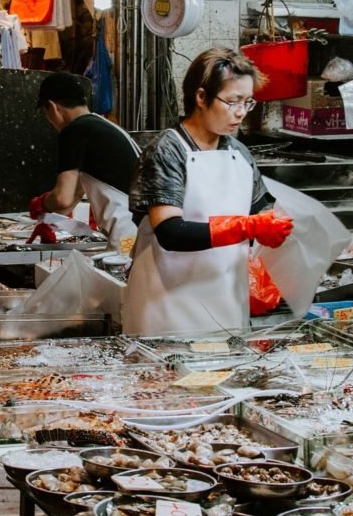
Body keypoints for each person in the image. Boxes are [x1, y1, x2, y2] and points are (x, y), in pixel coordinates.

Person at [123, 48, 292, 336]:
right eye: (232, 101)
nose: (240, 112)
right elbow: (170, 232)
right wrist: (248, 226)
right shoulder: (168, 149)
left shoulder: (239, 153)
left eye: (247, 102)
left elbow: (261, 211)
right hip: (167, 307)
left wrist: (271, 230)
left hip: (226, 303)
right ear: (201, 97)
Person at [28, 72, 141, 251]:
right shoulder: (100, 125)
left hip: (127, 233)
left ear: (52, 107)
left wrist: (40, 205)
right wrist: (48, 220)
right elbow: (77, 191)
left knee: (123, 275)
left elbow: (62, 198)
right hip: (142, 229)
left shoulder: (73, 131)